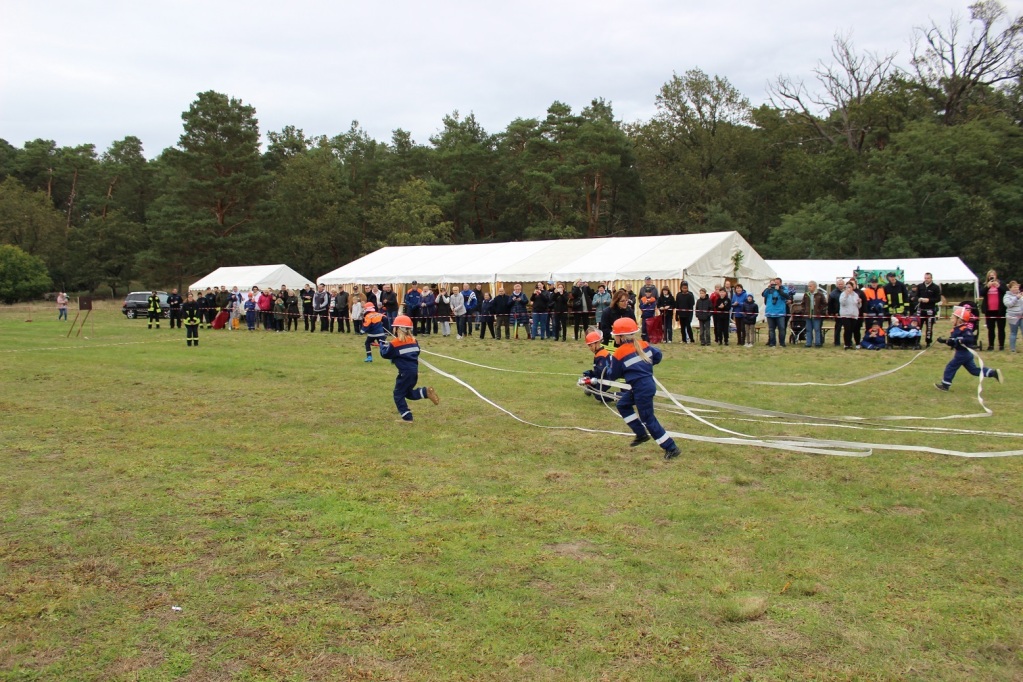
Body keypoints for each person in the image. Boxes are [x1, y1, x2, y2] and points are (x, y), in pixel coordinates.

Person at [606, 317, 682, 460]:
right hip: (644, 386)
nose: (614, 337)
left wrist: (608, 368)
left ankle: (671, 447)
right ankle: (641, 434)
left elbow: (613, 375)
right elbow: (658, 355)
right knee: (622, 405)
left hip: (641, 389)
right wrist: (644, 366)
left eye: (615, 335)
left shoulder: (619, 353)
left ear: (621, 336)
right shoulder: (644, 344)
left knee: (648, 419)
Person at [378, 315, 440, 421]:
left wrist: (382, 346)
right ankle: (425, 392)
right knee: (407, 393)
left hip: (405, 374)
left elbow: (386, 354)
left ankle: (407, 418)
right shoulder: (413, 340)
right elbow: (416, 351)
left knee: (398, 394)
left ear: (399, 329)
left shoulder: (395, 343)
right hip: (413, 372)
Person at [935, 305, 1004, 391]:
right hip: (963, 353)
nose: (951, 319)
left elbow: (969, 339)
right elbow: (952, 342)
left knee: (951, 367)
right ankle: (993, 373)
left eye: (953, 317)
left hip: (963, 353)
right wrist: (944, 341)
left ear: (959, 320)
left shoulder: (965, 329)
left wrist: (959, 340)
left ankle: (945, 385)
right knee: (974, 370)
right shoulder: (955, 329)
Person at [579, 330, 613, 403]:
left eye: (591, 345)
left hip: (606, 379)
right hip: (604, 377)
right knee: (589, 377)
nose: (590, 348)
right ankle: (590, 389)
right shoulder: (600, 353)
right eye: (589, 346)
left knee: (598, 396)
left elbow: (601, 372)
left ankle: (616, 396)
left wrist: (591, 373)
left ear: (597, 343)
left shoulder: (601, 355)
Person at [980, 269, 1008, 351]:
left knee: (1001, 328)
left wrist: (998, 286)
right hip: (989, 311)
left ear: (996, 276)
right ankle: (991, 345)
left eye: (993, 275)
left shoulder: (1001, 283)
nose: (991, 277)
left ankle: (1001, 346)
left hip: (1000, 310)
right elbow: (981, 293)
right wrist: (987, 287)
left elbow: (1006, 292)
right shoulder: (985, 284)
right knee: (991, 329)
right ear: (988, 277)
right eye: (990, 276)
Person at [762, 278, 791, 347]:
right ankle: (772, 343)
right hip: (770, 312)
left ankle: (782, 343)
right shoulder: (769, 290)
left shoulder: (784, 289)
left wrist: (779, 290)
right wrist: (768, 288)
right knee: (771, 329)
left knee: (781, 328)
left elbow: (786, 296)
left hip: (780, 313)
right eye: (775, 283)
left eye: (777, 283)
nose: (775, 284)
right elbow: (763, 294)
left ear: (780, 283)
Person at [916, 272, 942, 347]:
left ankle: (928, 342)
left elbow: (938, 299)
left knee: (929, 327)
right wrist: (918, 299)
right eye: (925, 278)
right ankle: (917, 341)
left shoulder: (935, 287)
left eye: (928, 278)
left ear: (931, 278)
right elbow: (916, 296)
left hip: (930, 310)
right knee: (918, 326)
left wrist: (929, 300)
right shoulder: (920, 286)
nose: (926, 279)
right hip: (921, 309)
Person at [800, 280, 828, 348]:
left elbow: (824, 304)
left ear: (815, 287)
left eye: (810, 286)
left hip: (816, 315)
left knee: (817, 329)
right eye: (808, 286)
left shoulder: (820, 294)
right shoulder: (806, 294)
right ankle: (808, 343)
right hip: (808, 315)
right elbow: (803, 304)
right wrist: (804, 311)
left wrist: (820, 310)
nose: (809, 287)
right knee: (808, 329)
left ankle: (817, 343)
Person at [839, 280, 862, 350]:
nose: (848, 288)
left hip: (854, 315)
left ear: (852, 288)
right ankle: (846, 344)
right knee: (847, 329)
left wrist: (859, 302)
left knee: (851, 330)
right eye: (847, 287)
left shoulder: (856, 295)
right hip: (845, 314)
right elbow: (842, 302)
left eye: (849, 287)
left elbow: (859, 306)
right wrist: (846, 295)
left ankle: (850, 343)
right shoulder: (843, 294)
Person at [1004, 281, 1022, 353]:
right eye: (1014, 287)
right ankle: (1013, 349)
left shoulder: (1020, 295)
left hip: (1021, 316)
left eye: (1017, 287)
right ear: (1010, 288)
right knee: (1013, 332)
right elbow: (1008, 304)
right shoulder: (1007, 296)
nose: (1016, 288)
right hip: (1013, 317)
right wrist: (1016, 298)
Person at [828, 277, 844, 347]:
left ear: (844, 284)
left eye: (841, 284)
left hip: (846, 313)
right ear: (837, 285)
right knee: (838, 328)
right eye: (839, 284)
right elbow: (830, 304)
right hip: (838, 314)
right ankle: (837, 342)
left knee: (848, 329)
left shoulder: (846, 292)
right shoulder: (833, 293)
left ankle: (848, 341)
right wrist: (833, 313)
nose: (840, 285)